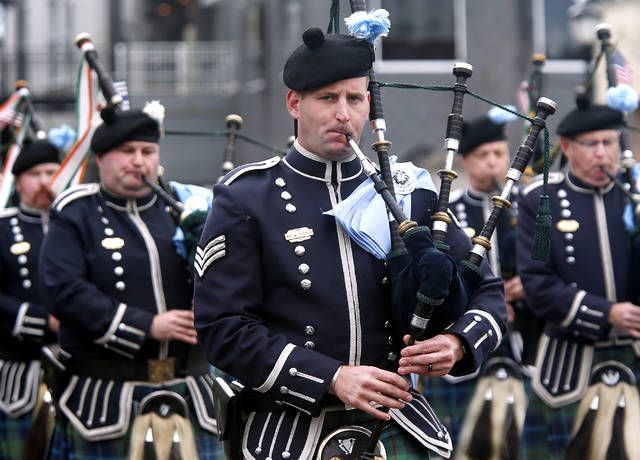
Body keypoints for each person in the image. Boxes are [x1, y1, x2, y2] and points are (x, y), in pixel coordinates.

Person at [194, 27, 507, 459]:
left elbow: (487, 291)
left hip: (397, 424)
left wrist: (458, 343)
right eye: (327, 98)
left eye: (355, 99)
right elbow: (223, 330)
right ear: (294, 103)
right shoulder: (248, 196)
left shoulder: (407, 193)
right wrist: (332, 376)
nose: (344, 114)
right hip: (290, 433)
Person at [40, 105, 223, 459]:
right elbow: (64, 291)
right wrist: (148, 325)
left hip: (193, 396)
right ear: (101, 158)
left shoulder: (185, 208)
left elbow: (228, 284)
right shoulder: (76, 212)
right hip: (107, 399)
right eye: (127, 151)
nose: (139, 161)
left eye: (147, 151)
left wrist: (213, 270)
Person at [517, 99, 640, 459]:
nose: (604, 154)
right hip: (568, 367)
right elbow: (538, 284)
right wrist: (606, 313)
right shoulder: (540, 202)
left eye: (610, 142)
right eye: (593, 144)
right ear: (568, 147)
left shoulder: (633, 197)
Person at [421, 112, 536, 457]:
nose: (493, 163)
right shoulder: (448, 214)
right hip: (467, 349)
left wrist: (526, 288)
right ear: (467, 160)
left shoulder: (528, 210)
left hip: (524, 346)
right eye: (484, 155)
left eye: (499, 154)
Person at [0, 139, 60, 459]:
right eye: (35, 173)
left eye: (52, 172)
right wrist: (41, 319)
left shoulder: (78, 224)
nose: (45, 182)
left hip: (78, 375)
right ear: (19, 180)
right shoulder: (3, 228)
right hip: (20, 375)